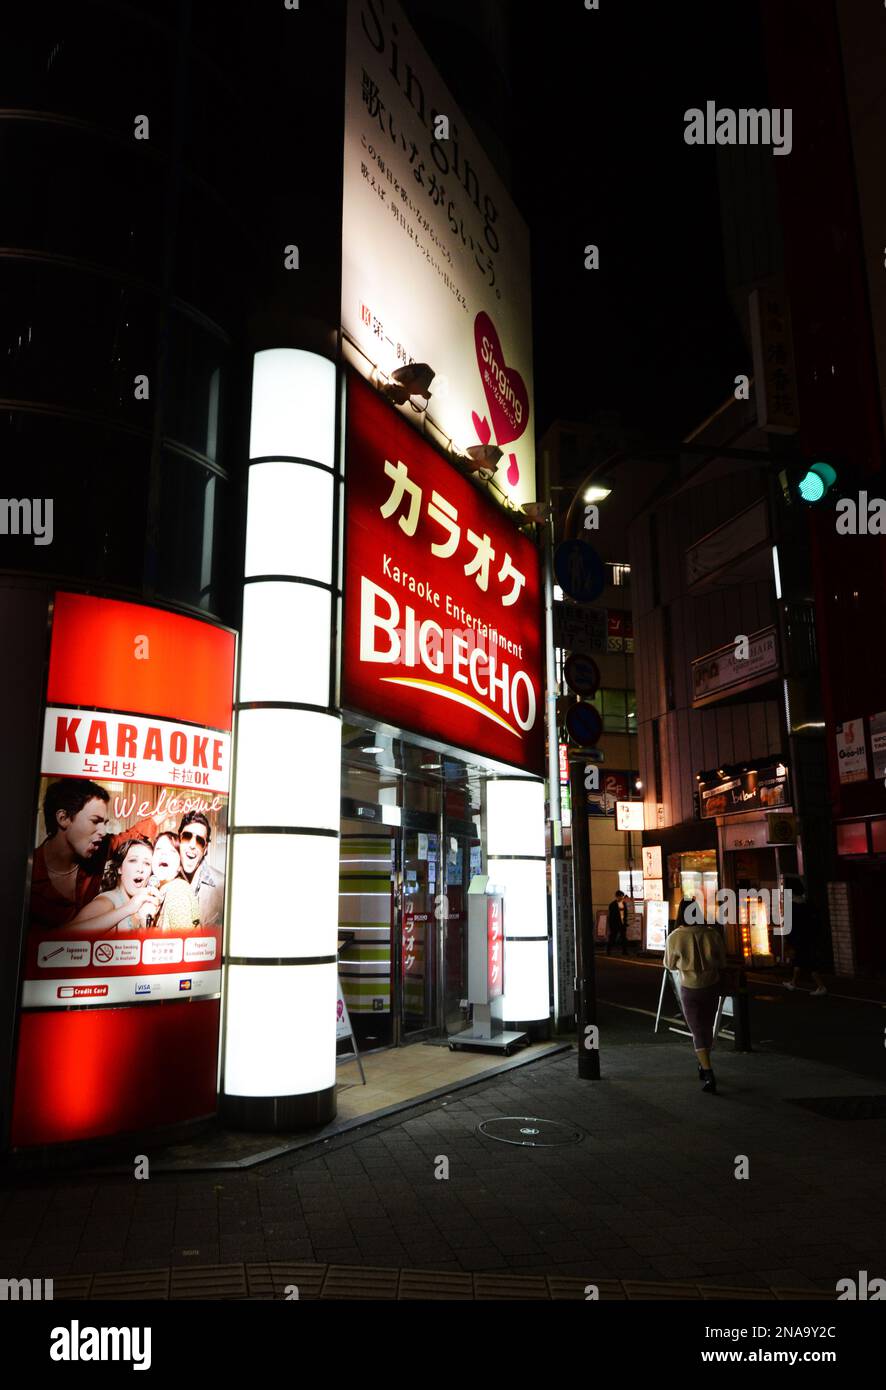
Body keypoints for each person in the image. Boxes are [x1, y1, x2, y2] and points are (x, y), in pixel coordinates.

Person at [30, 779, 112, 930]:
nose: (103, 831)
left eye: (105, 823)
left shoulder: (99, 850)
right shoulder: (28, 873)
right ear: (63, 818)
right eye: (95, 821)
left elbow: (128, 836)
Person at [664, 896, 727, 1094]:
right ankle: (703, 1064)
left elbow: (669, 964)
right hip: (712, 985)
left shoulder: (675, 936)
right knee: (707, 1028)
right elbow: (722, 962)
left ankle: (708, 1072)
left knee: (697, 1031)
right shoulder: (712, 934)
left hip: (689, 987)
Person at [66, 837, 159, 936]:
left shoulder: (143, 907)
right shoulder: (107, 901)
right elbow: (60, 936)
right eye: (133, 860)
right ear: (119, 868)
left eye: (147, 863)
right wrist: (128, 908)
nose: (140, 869)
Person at [782, 875, 827, 996]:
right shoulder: (808, 904)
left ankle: (821, 986)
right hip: (809, 938)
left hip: (799, 939)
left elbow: (789, 925)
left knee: (808, 963)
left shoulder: (792, 907)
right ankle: (793, 982)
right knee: (800, 961)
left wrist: (788, 939)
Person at [177, 811, 225, 926]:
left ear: (205, 849)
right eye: (187, 837)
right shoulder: (166, 878)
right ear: (179, 840)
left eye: (200, 841)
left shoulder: (223, 885)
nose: (192, 845)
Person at [150, 832, 201, 932]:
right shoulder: (163, 891)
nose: (163, 853)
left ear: (179, 866)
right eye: (158, 849)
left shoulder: (178, 891)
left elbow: (184, 941)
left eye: (172, 851)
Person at [606, 889, 629, 956]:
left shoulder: (624, 904)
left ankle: (624, 951)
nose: (621, 897)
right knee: (612, 937)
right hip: (615, 924)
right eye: (620, 896)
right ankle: (608, 951)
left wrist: (625, 922)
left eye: (622, 896)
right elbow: (611, 916)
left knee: (623, 938)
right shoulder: (612, 905)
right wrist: (611, 925)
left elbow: (625, 913)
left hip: (622, 924)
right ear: (616, 896)